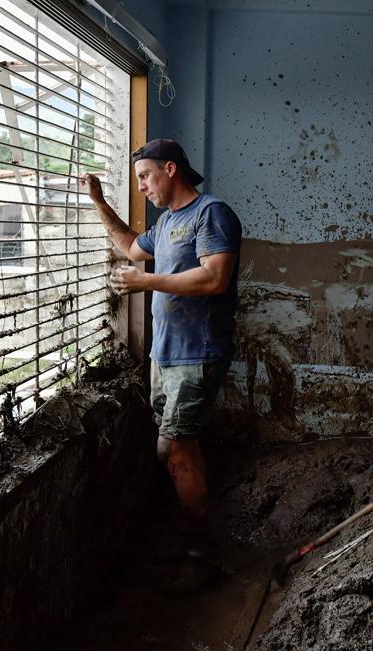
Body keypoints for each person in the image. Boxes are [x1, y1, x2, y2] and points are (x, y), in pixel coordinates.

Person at [79, 139, 241, 528]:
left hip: (196, 352)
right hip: (166, 354)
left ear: (170, 169)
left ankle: (198, 547)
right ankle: (195, 522)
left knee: (175, 450)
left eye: (144, 176)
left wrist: (147, 281)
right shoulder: (167, 222)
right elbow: (132, 247)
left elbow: (216, 278)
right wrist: (99, 203)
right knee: (173, 446)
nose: (140, 187)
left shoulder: (211, 213)